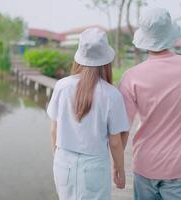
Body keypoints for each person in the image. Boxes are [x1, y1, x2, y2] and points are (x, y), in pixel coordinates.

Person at [119, 8, 181, 200]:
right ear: (171, 36)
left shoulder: (131, 77)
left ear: (144, 40)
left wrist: (117, 165)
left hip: (146, 163)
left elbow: (122, 128)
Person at [47, 28, 130, 200]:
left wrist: (59, 159)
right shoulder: (112, 95)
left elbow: (54, 131)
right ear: (106, 61)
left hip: (63, 162)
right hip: (94, 167)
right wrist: (119, 169)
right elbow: (115, 143)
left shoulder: (61, 86)